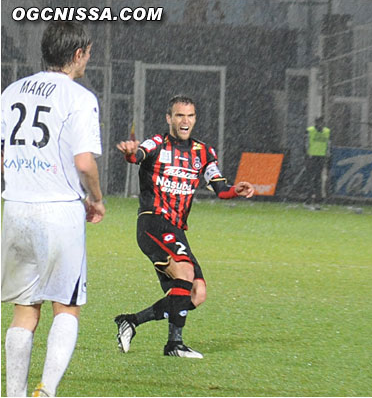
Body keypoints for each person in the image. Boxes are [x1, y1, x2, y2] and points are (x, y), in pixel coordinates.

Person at [1, 21, 105, 397]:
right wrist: (95, 197)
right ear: (77, 54)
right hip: (58, 211)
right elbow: (84, 163)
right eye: (88, 54)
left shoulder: (11, 91)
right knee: (67, 305)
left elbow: (2, 156)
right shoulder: (79, 97)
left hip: (15, 208)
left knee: (25, 309)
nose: (88, 60)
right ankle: (46, 390)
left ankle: (13, 394)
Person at [114, 95, 255, 359]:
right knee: (186, 270)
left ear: (195, 119)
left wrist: (235, 189)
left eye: (190, 116)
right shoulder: (157, 143)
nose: (185, 121)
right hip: (153, 222)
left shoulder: (203, 152)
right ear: (169, 118)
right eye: (179, 115)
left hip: (176, 230)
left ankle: (134, 323)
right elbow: (138, 156)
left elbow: (220, 188)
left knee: (196, 293)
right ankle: (174, 345)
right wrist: (132, 153)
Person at [305, 116, 331, 208]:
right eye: (319, 122)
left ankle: (317, 199)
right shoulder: (310, 130)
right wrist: (307, 153)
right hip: (312, 156)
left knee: (318, 179)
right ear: (316, 123)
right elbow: (307, 143)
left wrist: (327, 154)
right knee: (310, 178)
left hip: (321, 157)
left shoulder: (326, 132)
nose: (320, 124)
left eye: (322, 123)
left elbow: (328, 143)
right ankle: (308, 199)